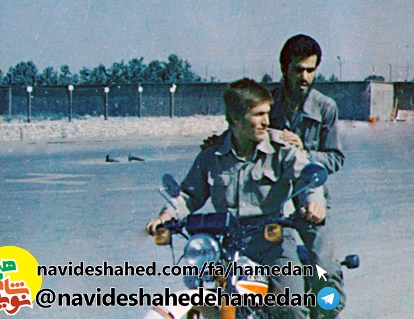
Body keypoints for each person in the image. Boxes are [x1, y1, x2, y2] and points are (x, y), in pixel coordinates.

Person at [147, 78, 325, 319]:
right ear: (236, 118)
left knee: (290, 306)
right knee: (207, 301)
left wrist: (313, 203)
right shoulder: (212, 154)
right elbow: (189, 194)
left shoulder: (281, 149)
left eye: (267, 113)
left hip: (271, 244)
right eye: (258, 114)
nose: (266, 121)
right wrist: (165, 216)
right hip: (223, 247)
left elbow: (307, 179)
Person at [270, 34, 345, 319]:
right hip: (274, 201)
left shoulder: (325, 107)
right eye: (298, 69)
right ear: (284, 68)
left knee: (325, 270)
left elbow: (335, 158)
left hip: (311, 200)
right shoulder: (267, 104)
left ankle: (325, 312)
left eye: (310, 70)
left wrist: (305, 152)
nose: (304, 77)